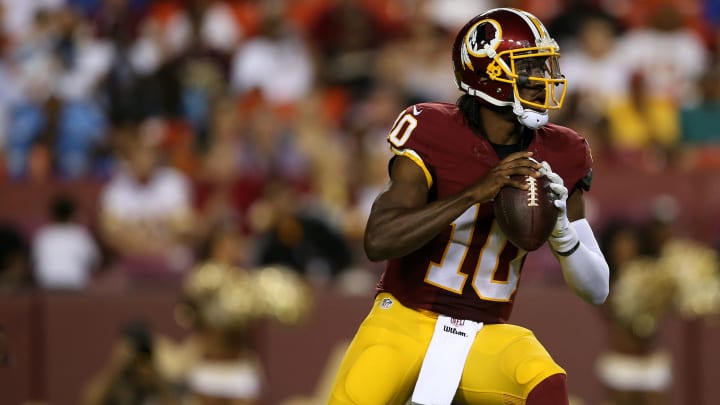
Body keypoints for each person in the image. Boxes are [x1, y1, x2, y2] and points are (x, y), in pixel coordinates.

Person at [328, 8, 610, 405]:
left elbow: (598, 289)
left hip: (487, 332)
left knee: (544, 381)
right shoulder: (433, 131)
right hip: (404, 318)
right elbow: (378, 240)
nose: (544, 80)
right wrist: (473, 193)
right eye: (528, 68)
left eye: (545, 66)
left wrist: (563, 229)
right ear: (489, 75)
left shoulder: (564, 151)